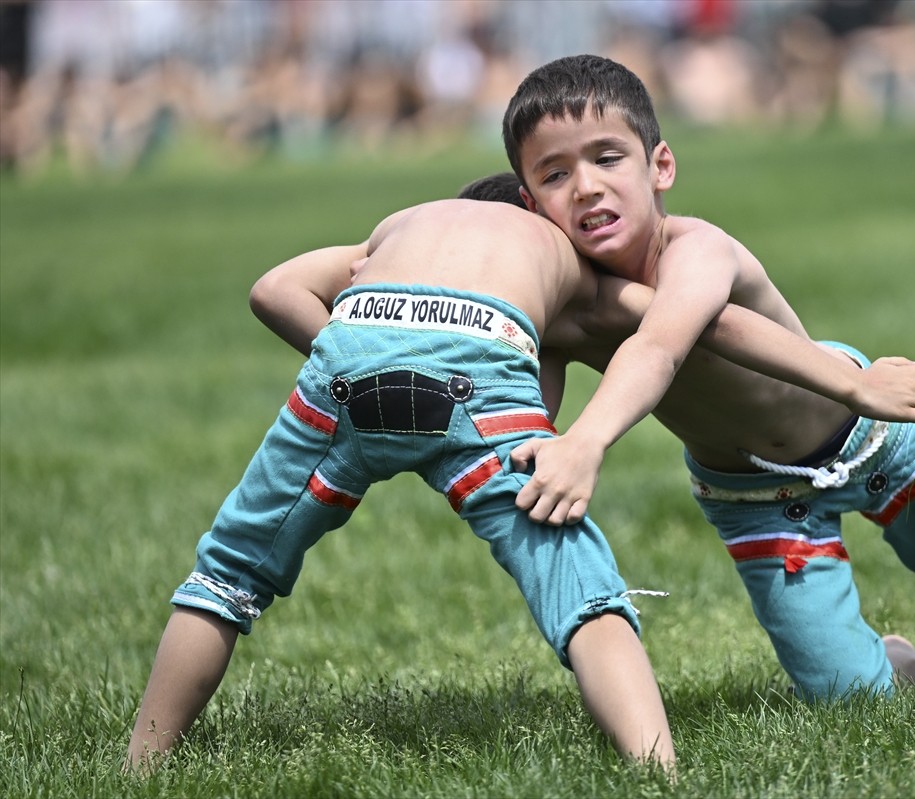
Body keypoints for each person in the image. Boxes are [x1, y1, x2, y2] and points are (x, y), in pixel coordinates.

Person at [500, 53, 915, 701]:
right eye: (556, 174)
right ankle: (891, 660)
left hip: (864, 430)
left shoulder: (697, 249)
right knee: (847, 696)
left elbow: (658, 348)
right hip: (753, 495)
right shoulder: (567, 312)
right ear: (531, 205)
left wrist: (587, 443)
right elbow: (528, 403)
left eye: (608, 158)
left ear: (660, 166)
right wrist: (535, 445)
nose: (586, 186)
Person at [125, 197, 678, 773]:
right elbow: (680, 318)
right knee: (576, 582)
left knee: (231, 567)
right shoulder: (561, 254)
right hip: (481, 368)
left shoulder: (405, 226)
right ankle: (657, 769)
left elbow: (271, 290)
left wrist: (372, 361)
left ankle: (141, 765)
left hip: (354, 348)